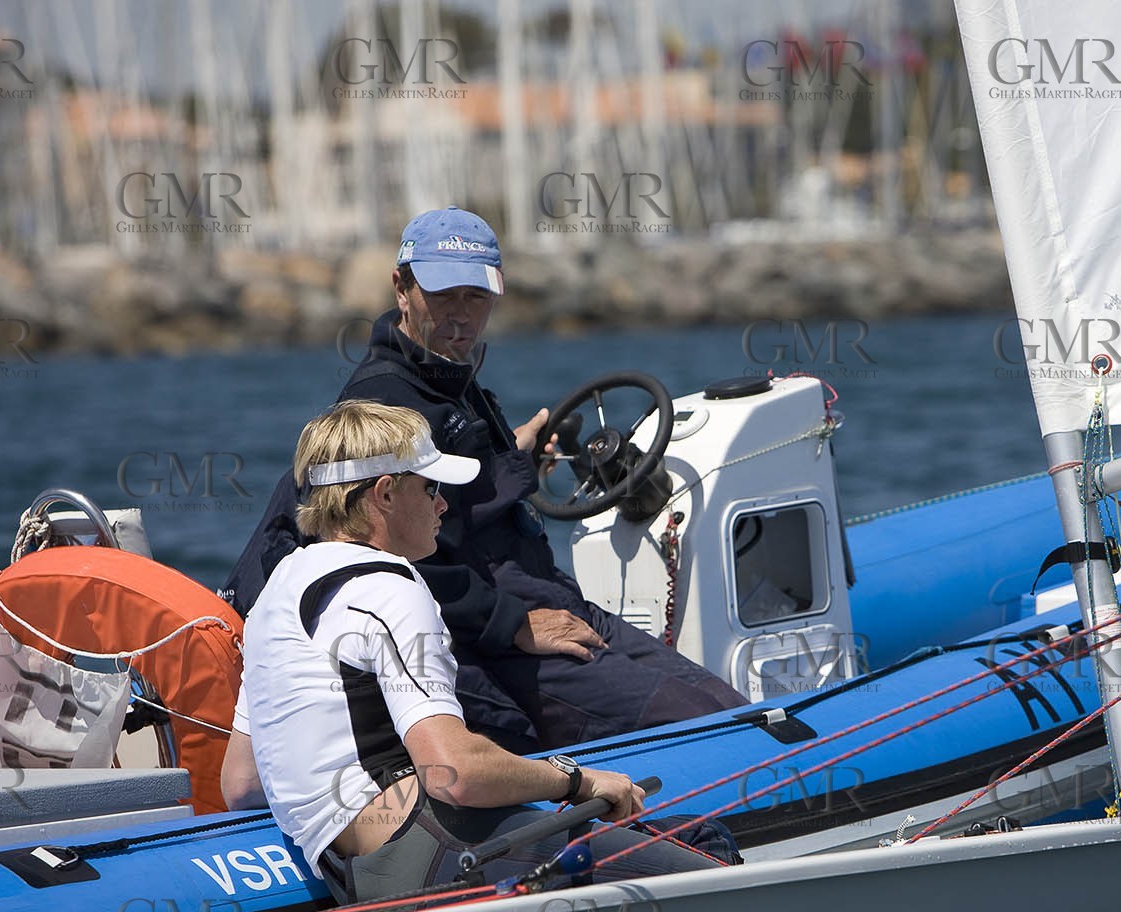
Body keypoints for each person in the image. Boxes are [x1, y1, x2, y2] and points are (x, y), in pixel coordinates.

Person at [223, 206, 745, 751]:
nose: (461, 316)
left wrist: (509, 461)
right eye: (444, 295)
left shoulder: (441, 374)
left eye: (476, 297)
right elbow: (381, 559)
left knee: (731, 711)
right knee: (700, 728)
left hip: (549, 599)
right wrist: (515, 624)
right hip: (495, 639)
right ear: (402, 287)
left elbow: (453, 482)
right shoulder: (385, 404)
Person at [235, 399, 720, 904]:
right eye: (430, 488)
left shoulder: (273, 596)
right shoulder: (390, 586)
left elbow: (242, 782)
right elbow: (456, 774)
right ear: (384, 494)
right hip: (431, 846)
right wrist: (577, 780)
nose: (443, 504)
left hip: (356, 875)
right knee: (706, 842)